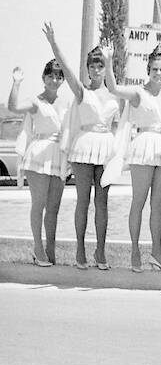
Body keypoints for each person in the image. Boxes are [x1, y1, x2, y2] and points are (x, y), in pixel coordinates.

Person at [43, 23, 118, 269]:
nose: (96, 70)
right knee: (83, 200)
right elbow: (65, 67)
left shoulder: (114, 94)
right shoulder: (81, 92)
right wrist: (54, 43)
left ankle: (101, 252)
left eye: (100, 65)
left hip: (105, 148)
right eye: (92, 65)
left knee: (102, 202)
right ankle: (80, 251)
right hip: (84, 147)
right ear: (87, 69)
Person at [104, 45, 161, 272]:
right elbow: (114, 88)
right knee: (139, 201)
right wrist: (108, 61)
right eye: (155, 69)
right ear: (148, 69)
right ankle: (135, 251)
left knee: (159, 206)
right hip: (144, 147)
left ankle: (157, 253)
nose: (159, 73)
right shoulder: (138, 94)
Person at [7, 58, 69, 266]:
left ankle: (50, 250)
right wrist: (16, 83)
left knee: (54, 208)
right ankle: (38, 248)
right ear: (44, 78)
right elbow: (14, 106)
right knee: (39, 204)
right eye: (50, 75)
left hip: (59, 156)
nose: (54, 80)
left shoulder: (66, 102)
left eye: (59, 76)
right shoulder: (35, 101)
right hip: (39, 156)